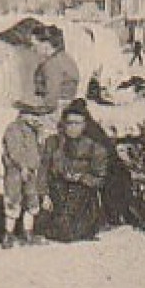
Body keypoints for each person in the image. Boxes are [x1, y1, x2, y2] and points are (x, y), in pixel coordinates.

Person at [1, 25, 80, 248]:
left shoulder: (52, 65)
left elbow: (49, 103)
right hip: (67, 111)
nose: (35, 51)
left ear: (47, 45)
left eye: (37, 46)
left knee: (18, 128)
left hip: (54, 116)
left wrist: (24, 105)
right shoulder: (65, 59)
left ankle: (23, 184)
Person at [36, 102, 110, 242]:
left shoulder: (96, 148)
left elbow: (100, 179)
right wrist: (44, 194)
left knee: (69, 232)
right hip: (56, 192)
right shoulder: (53, 143)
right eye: (69, 123)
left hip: (83, 196)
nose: (73, 127)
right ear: (63, 124)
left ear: (84, 125)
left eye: (77, 123)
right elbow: (43, 170)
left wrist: (82, 178)